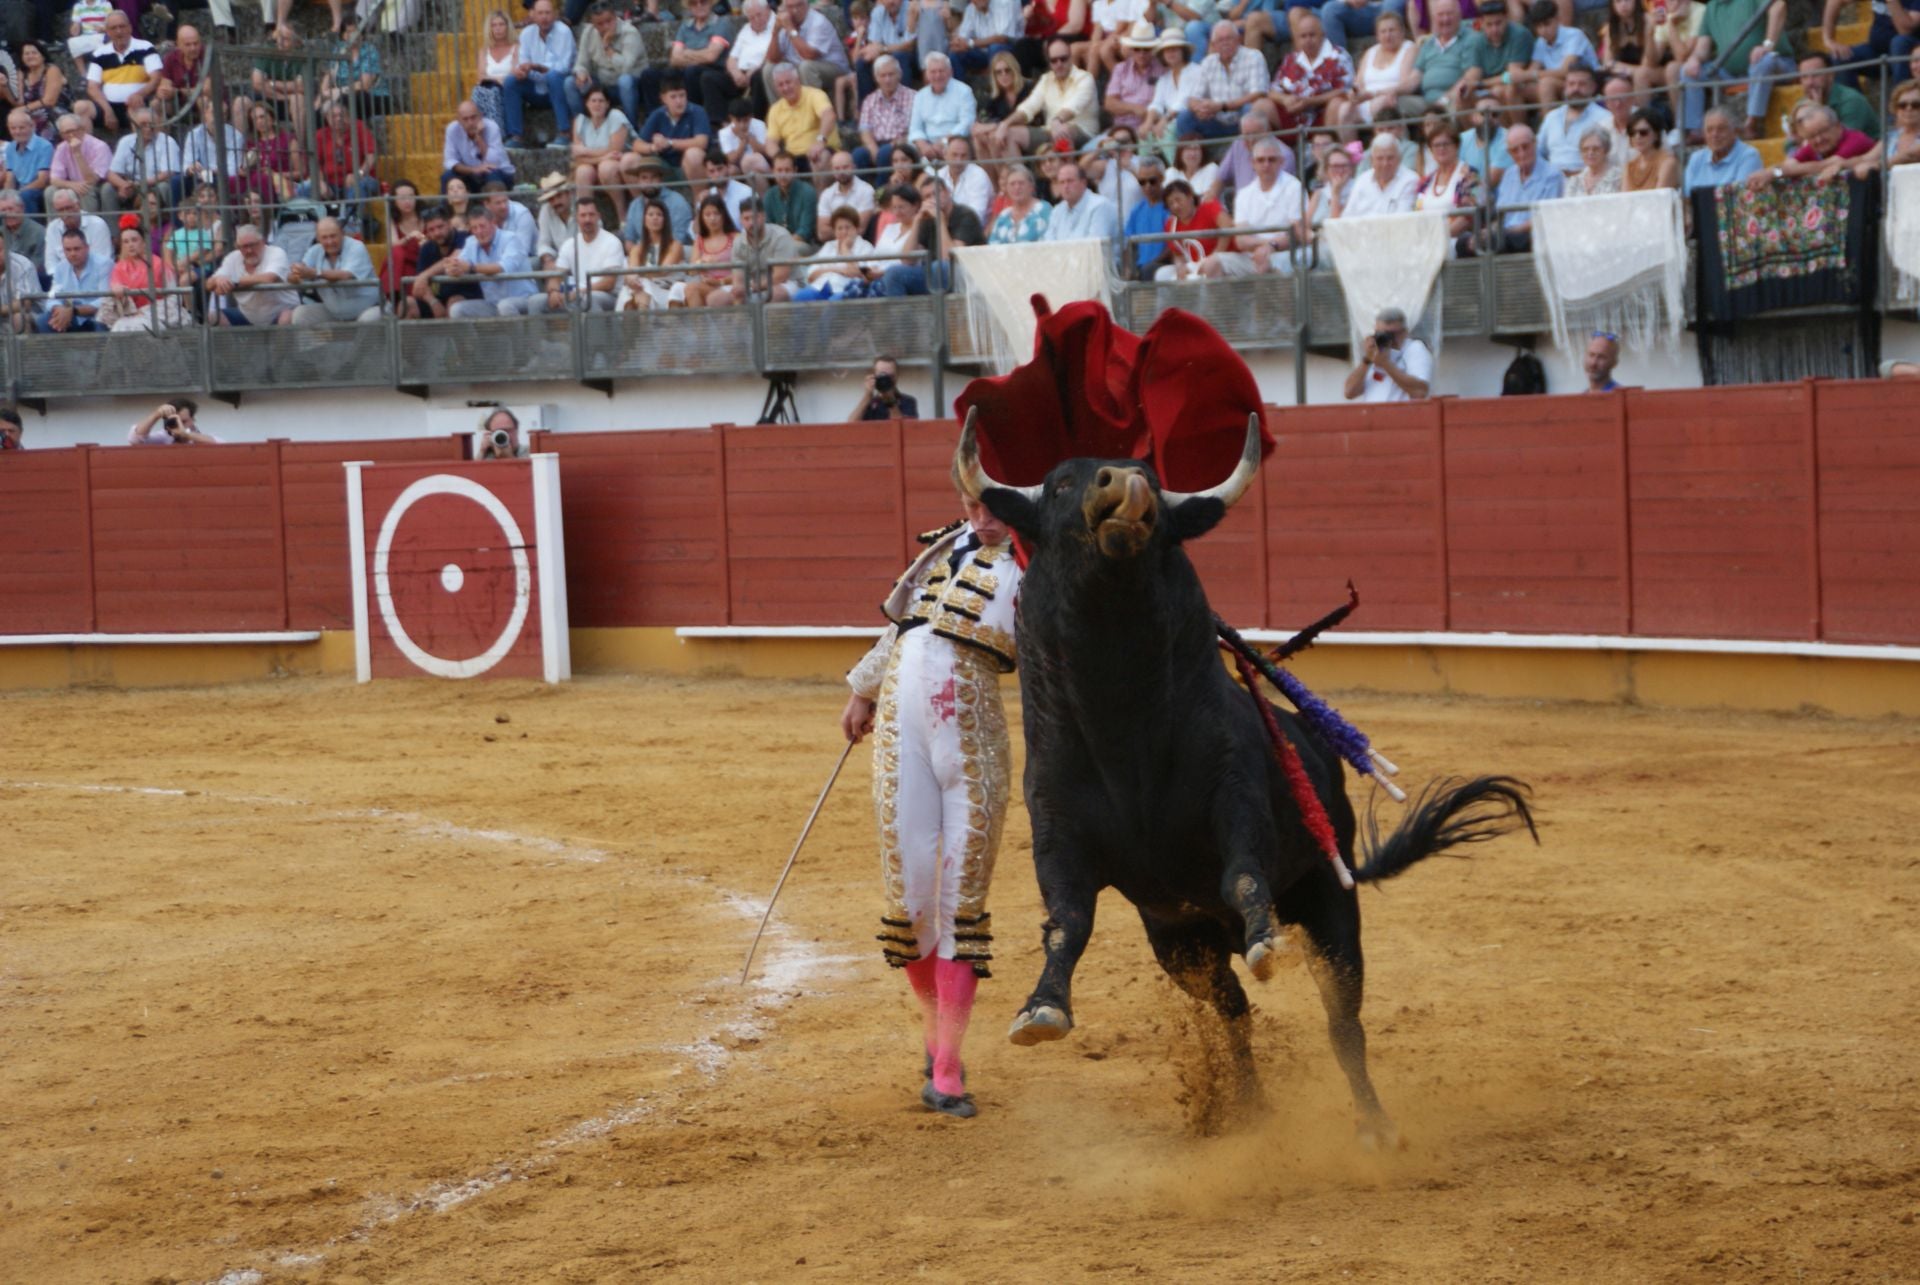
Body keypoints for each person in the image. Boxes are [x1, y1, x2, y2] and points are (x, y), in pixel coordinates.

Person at [841, 459, 1024, 1120]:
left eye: (994, 507)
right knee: (911, 900)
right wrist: (863, 690)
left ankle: (947, 1066)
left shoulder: (1038, 561)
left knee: (961, 902)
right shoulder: (944, 547)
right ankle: (935, 1034)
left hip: (972, 742)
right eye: (973, 506)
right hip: (900, 734)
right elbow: (903, 628)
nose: (982, 519)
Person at [1678, 0, 1790, 139]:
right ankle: (1695, 130)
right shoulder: (1711, 7)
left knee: (1764, 61)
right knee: (1687, 71)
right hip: (1731, 74)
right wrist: (1694, 58)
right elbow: (1703, 48)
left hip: (1777, 64)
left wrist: (1767, 46)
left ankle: (1751, 123)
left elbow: (1779, 6)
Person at [1198, 138, 1302, 275]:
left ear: (1281, 162)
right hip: (1252, 255)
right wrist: (1264, 246)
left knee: (1269, 262)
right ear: (1252, 163)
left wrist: (1271, 247)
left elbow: (1296, 233)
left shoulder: (1295, 187)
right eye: (1261, 160)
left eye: (1271, 160)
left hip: (1286, 253)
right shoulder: (1244, 194)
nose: (1266, 164)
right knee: (1211, 264)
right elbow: (1241, 240)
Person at [1464, 121, 1558, 254]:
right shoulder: (1509, 174)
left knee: (1494, 241)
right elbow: (1501, 214)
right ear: (1509, 153)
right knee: (1465, 242)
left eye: (1525, 147)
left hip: (1533, 234)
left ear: (1535, 143)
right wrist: (1490, 231)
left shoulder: (1552, 175)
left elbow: (1547, 217)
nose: (1521, 154)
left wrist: (1510, 230)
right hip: (1507, 235)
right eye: (1515, 150)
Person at [998, 38, 1098, 151]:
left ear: (1071, 58)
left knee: (1063, 130)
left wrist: (1057, 121)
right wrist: (1005, 123)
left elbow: (1073, 107)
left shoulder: (1085, 78)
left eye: (1063, 59)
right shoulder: (1046, 80)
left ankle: (1062, 162)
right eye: (1054, 60)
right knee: (1008, 134)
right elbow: (1029, 107)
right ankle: (1017, 165)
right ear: (1049, 63)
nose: (1059, 64)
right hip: (1051, 130)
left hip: (1083, 132)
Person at [1746, 104, 1872, 191]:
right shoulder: (1813, 146)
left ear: (1838, 126)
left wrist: (1773, 173)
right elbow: (1790, 165)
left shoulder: (1855, 139)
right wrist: (1767, 172)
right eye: (1812, 136)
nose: (1819, 139)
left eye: (1823, 131)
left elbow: (1824, 165)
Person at [1176, 21, 1267, 141]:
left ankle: (1250, 150)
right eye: (1220, 40)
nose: (1225, 43)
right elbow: (1192, 98)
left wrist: (1223, 106)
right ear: (1213, 45)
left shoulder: (1253, 56)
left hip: (1242, 117)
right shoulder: (1208, 62)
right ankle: (1193, 152)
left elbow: (1258, 94)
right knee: (1185, 117)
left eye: (1229, 38)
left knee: (1250, 108)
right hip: (1216, 121)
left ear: (1238, 39)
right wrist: (1199, 108)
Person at [505, 0, 578, 147]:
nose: (544, 17)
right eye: (540, 13)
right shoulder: (526, 34)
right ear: (533, 15)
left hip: (558, 88)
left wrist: (538, 67)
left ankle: (564, 132)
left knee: (553, 76)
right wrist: (522, 71)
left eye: (547, 13)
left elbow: (564, 67)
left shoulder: (564, 32)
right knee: (510, 82)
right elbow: (523, 61)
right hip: (536, 87)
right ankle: (516, 136)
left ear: (555, 15)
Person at [530, 198, 624, 312]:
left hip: (608, 296)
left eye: (591, 215)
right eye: (583, 215)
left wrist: (578, 293)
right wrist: (553, 291)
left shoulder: (612, 242)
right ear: (576, 218)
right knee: (536, 301)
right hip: (578, 294)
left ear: (598, 216)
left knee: (589, 299)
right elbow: (556, 276)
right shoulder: (570, 244)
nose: (587, 219)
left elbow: (609, 283)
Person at [287, 216, 381, 324]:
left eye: (333, 236)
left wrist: (315, 273)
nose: (330, 241)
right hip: (335, 312)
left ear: (342, 233)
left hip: (368, 307)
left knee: (368, 319)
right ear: (318, 239)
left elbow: (345, 275)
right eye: (324, 237)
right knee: (300, 314)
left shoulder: (356, 247)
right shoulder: (314, 251)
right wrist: (295, 275)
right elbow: (297, 274)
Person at [84, 10, 161, 136]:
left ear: (130, 28)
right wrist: (107, 109)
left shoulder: (145, 47)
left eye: (122, 26)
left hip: (138, 102)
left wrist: (139, 94)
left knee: (134, 106)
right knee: (81, 108)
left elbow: (156, 78)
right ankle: (88, 146)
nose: (119, 31)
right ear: (108, 32)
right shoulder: (99, 53)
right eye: (113, 28)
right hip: (109, 105)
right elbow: (92, 87)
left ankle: (141, 146)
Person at [659, 0, 736, 123]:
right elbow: (674, 58)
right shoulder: (686, 26)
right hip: (690, 68)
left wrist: (687, 53)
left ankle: (693, 117)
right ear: (689, 7)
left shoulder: (721, 23)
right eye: (694, 3)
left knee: (692, 72)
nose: (699, 5)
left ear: (710, 3)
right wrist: (701, 54)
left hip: (715, 70)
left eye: (703, 2)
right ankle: (663, 119)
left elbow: (711, 56)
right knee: (655, 74)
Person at [208, 223, 297, 326]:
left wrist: (232, 281)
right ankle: (231, 338)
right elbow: (209, 284)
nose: (249, 250)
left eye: (252, 245)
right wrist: (218, 280)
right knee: (214, 317)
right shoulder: (232, 258)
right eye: (244, 247)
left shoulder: (276, 253)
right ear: (238, 247)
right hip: (248, 316)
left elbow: (268, 278)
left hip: (279, 313)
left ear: (263, 242)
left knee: (287, 318)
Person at [572, 1, 645, 128]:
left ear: (615, 17)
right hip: (603, 84)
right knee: (570, 83)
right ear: (593, 24)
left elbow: (625, 68)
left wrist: (608, 48)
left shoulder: (630, 32)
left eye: (609, 21)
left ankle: (631, 128)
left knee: (625, 81)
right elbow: (580, 63)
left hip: (630, 85)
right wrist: (581, 73)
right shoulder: (588, 32)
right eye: (600, 24)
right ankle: (582, 128)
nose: (606, 26)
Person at [104, 216, 181, 331]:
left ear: (144, 242)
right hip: (129, 315)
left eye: (134, 240)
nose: (130, 245)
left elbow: (173, 296)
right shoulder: (118, 268)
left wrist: (146, 312)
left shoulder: (159, 264)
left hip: (157, 314)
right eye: (126, 242)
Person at [764, 0, 852, 98]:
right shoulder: (785, 21)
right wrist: (775, 32)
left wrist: (790, 29)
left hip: (833, 67)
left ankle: (815, 106)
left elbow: (809, 55)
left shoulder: (818, 22)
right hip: (799, 65)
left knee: (807, 67)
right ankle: (780, 107)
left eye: (799, 5)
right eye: (790, 7)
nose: (795, 10)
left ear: (807, 5)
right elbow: (772, 58)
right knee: (769, 69)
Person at [1343, 306, 1431, 401]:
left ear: (1404, 332)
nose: (1388, 338)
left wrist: (1385, 364)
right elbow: (1349, 392)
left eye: (1392, 334)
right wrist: (1367, 360)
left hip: (1403, 410)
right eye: (1381, 333)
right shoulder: (1375, 351)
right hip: (1374, 410)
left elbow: (1420, 391)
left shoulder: (1414, 348)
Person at [306, 100, 381, 211]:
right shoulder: (320, 135)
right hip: (331, 184)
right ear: (326, 118)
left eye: (342, 115)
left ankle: (352, 220)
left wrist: (359, 174)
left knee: (359, 186)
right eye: (333, 116)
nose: (338, 119)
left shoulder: (358, 127)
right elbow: (316, 164)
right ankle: (312, 219)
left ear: (348, 116)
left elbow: (371, 155)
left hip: (361, 179)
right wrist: (320, 182)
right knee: (306, 187)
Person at [571, 84, 633, 217]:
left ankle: (622, 215)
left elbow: (615, 150)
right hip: (596, 163)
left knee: (607, 168)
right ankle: (585, 215)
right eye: (593, 101)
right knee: (582, 171)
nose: (597, 104)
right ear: (587, 103)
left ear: (607, 103)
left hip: (620, 162)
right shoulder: (580, 120)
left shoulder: (616, 116)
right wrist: (601, 157)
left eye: (601, 101)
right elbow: (578, 157)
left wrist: (585, 151)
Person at [636, 71, 713, 176]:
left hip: (689, 163)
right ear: (663, 98)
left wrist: (669, 143)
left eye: (682, 96)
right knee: (629, 160)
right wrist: (653, 147)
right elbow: (637, 145)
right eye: (673, 97)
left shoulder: (697, 112)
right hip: (664, 164)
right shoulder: (657, 114)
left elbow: (701, 142)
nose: (679, 101)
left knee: (693, 154)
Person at [1537, 65, 1611, 173]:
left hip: (1587, 179)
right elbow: (1538, 152)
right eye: (1571, 84)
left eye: (1582, 84)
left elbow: (1608, 158)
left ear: (1593, 87)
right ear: (1565, 87)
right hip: (1552, 179)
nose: (1576, 89)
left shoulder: (1604, 118)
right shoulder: (1552, 117)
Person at [36, 228, 112, 332]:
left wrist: (73, 311)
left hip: (96, 317)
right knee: (42, 321)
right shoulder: (60, 268)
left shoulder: (104, 265)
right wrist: (59, 309)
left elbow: (106, 300)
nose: (72, 254)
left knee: (101, 323)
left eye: (77, 249)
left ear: (87, 248)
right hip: (69, 316)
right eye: (68, 250)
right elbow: (52, 297)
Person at [764, 63, 837, 171]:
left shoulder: (815, 95)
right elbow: (771, 142)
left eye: (788, 82)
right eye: (780, 85)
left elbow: (828, 116)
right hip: (793, 159)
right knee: (754, 162)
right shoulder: (775, 109)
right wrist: (779, 158)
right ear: (776, 88)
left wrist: (820, 141)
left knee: (820, 157)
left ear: (798, 80)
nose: (785, 88)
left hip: (820, 150)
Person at [616, 198, 687, 308]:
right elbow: (633, 270)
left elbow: (662, 271)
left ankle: (638, 313)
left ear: (665, 220)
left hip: (666, 292)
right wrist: (631, 278)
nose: (655, 218)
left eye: (659, 215)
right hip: (643, 290)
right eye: (650, 214)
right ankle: (638, 312)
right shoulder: (637, 248)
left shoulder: (675, 245)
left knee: (642, 285)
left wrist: (638, 276)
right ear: (644, 220)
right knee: (631, 290)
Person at [1795, 53, 1879, 141]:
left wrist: (1818, 110)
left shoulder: (1851, 100)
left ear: (1830, 75)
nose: (1810, 82)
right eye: (1804, 77)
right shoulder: (1801, 104)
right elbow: (1791, 143)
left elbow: (1845, 141)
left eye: (1816, 75)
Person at [907, 52, 977, 152]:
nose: (937, 75)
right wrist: (924, 146)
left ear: (950, 72)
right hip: (927, 144)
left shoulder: (964, 91)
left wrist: (944, 141)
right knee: (906, 150)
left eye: (941, 71)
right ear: (926, 74)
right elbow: (915, 127)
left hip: (954, 141)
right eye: (933, 72)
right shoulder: (920, 96)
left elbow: (967, 123)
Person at [1040, 160, 1117, 247]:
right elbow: (1048, 245)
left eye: (1070, 181)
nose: (1066, 186)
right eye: (1062, 182)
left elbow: (1095, 247)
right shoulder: (1057, 211)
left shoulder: (1100, 206)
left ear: (1083, 183)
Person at [1682, 105, 1759, 192]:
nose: (1714, 135)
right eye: (1709, 130)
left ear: (1735, 132)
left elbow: (1741, 195)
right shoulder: (1696, 158)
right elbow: (1686, 195)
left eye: (1721, 129)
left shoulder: (1749, 156)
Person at [680, 194, 739, 307]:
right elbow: (691, 270)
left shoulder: (736, 238)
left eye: (716, 213)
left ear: (723, 215)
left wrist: (720, 281)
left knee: (692, 288)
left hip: (731, 286)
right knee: (685, 289)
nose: (712, 218)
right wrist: (702, 262)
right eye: (707, 215)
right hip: (708, 286)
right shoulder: (699, 240)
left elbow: (744, 271)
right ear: (702, 218)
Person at [620, 154, 694, 244]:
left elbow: (679, 239)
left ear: (661, 179)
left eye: (654, 177)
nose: (649, 182)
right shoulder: (634, 205)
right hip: (643, 250)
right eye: (644, 178)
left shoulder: (677, 202)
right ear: (638, 181)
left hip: (674, 250)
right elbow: (629, 239)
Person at [444, 99, 515, 191]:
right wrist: (474, 169)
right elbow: (450, 162)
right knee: (448, 176)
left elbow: (494, 163)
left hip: (500, 174)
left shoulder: (492, 127)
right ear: (459, 121)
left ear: (481, 116)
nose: (470, 123)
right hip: (471, 175)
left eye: (473, 117)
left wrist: (479, 137)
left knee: (492, 173)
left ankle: (498, 200)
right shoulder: (452, 130)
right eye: (465, 119)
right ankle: (447, 202)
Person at [51, 113, 113, 215]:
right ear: (61, 135)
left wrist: (77, 153)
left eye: (73, 131)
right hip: (73, 185)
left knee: (85, 190)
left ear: (82, 129)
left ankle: (88, 223)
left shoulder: (99, 146)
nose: (71, 135)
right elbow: (54, 179)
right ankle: (56, 224)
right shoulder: (61, 148)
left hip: (97, 186)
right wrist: (72, 185)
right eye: (66, 132)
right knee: (50, 191)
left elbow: (91, 180)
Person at [1344, 131, 1418, 215]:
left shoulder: (1410, 180)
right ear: (1371, 160)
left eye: (1390, 158)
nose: (1385, 163)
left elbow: (1403, 217)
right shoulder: (1362, 181)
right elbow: (1348, 216)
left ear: (1399, 159)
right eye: (1380, 158)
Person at [1854, 84, 1920, 178]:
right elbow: (1865, 159)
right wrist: (1842, 163)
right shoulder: (1891, 137)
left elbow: (1911, 155)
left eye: (1916, 105)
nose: (1908, 108)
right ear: (1896, 110)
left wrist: (1878, 165)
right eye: (1902, 105)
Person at [475, 8, 521, 137]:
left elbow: (515, 73)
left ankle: (495, 135)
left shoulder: (516, 48)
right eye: (494, 25)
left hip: (509, 89)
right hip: (489, 88)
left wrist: (493, 78)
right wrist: (497, 80)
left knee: (491, 93)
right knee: (478, 91)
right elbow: (480, 77)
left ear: (507, 27)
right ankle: (491, 133)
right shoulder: (484, 51)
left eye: (501, 24)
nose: (498, 29)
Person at [815, 150, 876, 241]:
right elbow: (822, 233)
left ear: (854, 167)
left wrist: (835, 230)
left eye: (845, 167)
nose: (841, 172)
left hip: (859, 244)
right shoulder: (826, 194)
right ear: (832, 170)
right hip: (833, 245)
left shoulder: (866, 190)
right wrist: (848, 230)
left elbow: (860, 229)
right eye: (837, 168)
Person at [3, 109, 54, 217]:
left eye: (22, 128)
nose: (17, 132)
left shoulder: (45, 146)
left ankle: (31, 224)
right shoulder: (10, 147)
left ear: (32, 126)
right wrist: (7, 194)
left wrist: (18, 193)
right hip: (21, 189)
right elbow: (10, 178)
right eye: (13, 128)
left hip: (39, 190)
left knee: (25, 196)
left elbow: (42, 181)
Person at [953, 0, 1022, 77]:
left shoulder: (1006, 3)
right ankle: (959, 84)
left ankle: (993, 81)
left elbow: (1002, 38)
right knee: (955, 54)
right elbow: (962, 38)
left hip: (1010, 49)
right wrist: (958, 43)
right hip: (982, 52)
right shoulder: (971, 8)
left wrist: (970, 43)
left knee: (995, 47)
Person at [763, 150, 818, 245]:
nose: (783, 175)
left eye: (787, 170)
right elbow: (767, 228)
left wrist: (784, 245)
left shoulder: (807, 192)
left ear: (795, 170)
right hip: (776, 245)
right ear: (773, 171)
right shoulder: (769, 195)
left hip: (803, 244)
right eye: (779, 170)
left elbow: (805, 231)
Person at [1622, 106, 1679, 190]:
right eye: (1632, 133)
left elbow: (1659, 196)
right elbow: (1624, 196)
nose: (1637, 137)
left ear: (1656, 135)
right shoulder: (1629, 167)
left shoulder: (1667, 163)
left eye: (1643, 132)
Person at [128, 399, 219, 445]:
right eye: (175, 421)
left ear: (193, 419)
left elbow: (219, 444)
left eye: (184, 421)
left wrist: (187, 435)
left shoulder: (201, 438)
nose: (180, 425)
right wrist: (156, 415)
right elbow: (134, 439)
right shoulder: (164, 437)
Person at [0, 224, 35, 334]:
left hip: (28, 316)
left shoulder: (23, 265)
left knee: (18, 317)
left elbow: (25, 303)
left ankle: (25, 346)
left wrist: (1, 310)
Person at [1568, 124, 1621, 194]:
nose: (1590, 153)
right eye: (1585, 149)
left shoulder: (1618, 178)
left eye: (1596, 149)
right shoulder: (1575, 181)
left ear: (1606, 150)